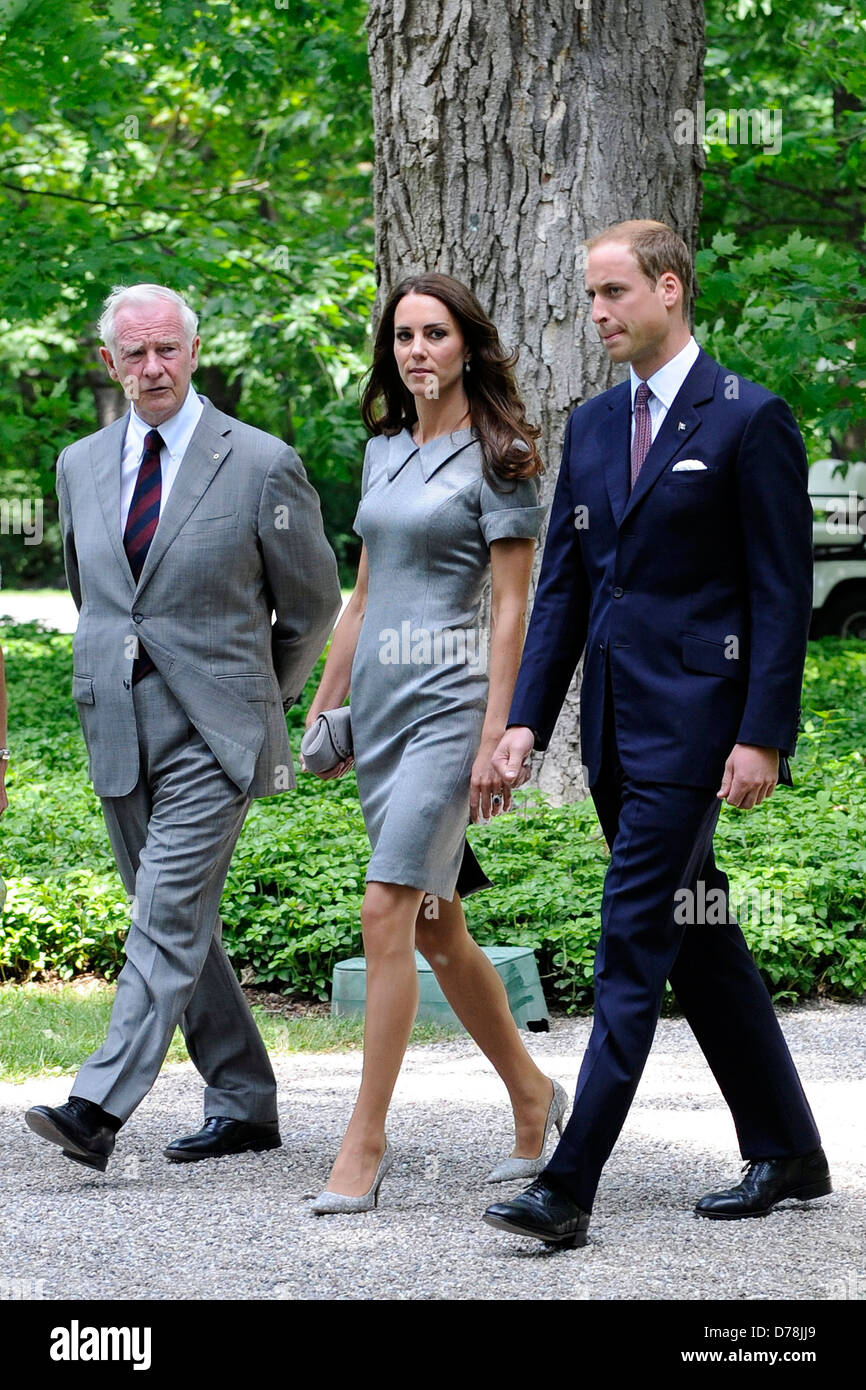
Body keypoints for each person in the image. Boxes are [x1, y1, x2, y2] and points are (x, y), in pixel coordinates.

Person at [483, 220, 830, 1250]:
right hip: (614, 736)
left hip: (697, 733)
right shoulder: (591, 426)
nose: (596, 314)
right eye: (589, 296)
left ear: (667, 290)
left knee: (630, 943)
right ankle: (788, 1150)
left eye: (611, 293)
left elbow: (779, 593)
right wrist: (522, 723)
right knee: (700, 935)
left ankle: (567, 1183)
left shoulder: (746, 420)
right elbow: (565, 594)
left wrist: (762, 734)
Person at [25, 284, 341, 1172]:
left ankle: (97, 1105)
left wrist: (259, 701)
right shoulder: (78, 465)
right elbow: (97, 600)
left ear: (194, 353)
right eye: (136, 355)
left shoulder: (261, 462)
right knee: (178, 918)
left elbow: (313, 605)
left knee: (163, 913)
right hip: (117, 722)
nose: (153, 368)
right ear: (110, 364)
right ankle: (243, 1098)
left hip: (219, 728)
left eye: (168, 350)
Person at [304, 273, 567, 1214]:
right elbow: (364, 597)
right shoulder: (381, 453)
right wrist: (324, 705)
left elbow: (512, 608)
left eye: (436, 335)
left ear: (468, 347)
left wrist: (498, 734)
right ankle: (535, 1095)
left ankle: (363, 1143)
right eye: (405, 336)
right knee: (436, 927)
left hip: (452, 708)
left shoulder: (503, 455)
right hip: (378, 709)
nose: (419, 350)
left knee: (385, 907)